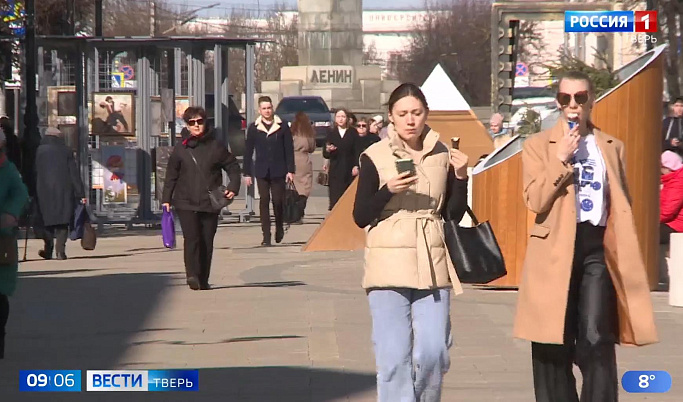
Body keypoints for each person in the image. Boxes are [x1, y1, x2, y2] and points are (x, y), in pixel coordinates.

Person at [514, 71, 658, 402]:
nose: (573, 105)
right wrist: (560, 159)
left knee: (597, 336)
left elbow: (623, 200)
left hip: (596, 248)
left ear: (591, 100)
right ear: (558, 103)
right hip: (554, 250)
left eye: (580, 97)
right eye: (565, 99)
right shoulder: (538, 146)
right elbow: (534, 200)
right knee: (553, 341)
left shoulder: (611, 146)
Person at [352, 83, 469, 401]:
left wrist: (461, 177)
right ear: (390, 116)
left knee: (434, 351)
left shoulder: (443, 153)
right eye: (402, 113)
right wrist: (388, 189)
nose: (410, 120)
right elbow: (361, 215)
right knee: (393, 360)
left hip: (432, 262)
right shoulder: (374, 156)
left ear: (426, 114)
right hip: (387, 263)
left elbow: (452, 214)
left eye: (416, 113)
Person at [162, 106, 241, 290]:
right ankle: (192, 275)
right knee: (192, 239)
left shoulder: (216, 146)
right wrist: (166, 199)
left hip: (209, 202)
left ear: (205, 123)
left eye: (199, 122)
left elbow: (233, 167)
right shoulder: (181, 149)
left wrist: (233, 187)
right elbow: (171, 175)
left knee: (206, 240)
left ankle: (203, 278)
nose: (196, 126)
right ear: (187, 126)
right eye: (192, 123)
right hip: (185, 202)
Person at [243, 96, 295, 246]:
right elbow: (248, 151)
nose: (267, 111)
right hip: (261, 171)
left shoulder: (282, 126)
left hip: (279, 170)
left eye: (269, 108)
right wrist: (247, 173)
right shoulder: (254, 128)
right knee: (264, 201)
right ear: (259, 110)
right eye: (264, 108)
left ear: (273, 109)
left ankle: (279, 227)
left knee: (278, 201)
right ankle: (266, 235)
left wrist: (290, 170)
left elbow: (289, 149)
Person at [35, 127, 86, 260]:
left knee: (47, 221)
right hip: (64, 190)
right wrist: (80, 193)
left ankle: (48, 250)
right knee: (63, 222)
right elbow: (73, 174)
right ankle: (60, 252)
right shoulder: (65, 151)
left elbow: (33, 172)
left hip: (43, 190)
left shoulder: (39, 151)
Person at [0, 129, 29, 359]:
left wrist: (10, 212)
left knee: (0, 295)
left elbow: (21, 193)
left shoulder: (7, 169)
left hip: (1, 241)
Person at [323, 108, 359, 210]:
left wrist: (356, 165)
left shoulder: (352, 132)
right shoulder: (331, 132)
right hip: (335, 168)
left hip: (349, 167)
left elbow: (357, 150)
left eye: (343, 117)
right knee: (335, 197)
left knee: (348, 197)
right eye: (338, 117)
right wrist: (329, 150)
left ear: (347, 118)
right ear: (335, 119)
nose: (341, 119)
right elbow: (325, 153)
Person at [291, 111, 316, 220]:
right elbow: (312, 148)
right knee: (305, 186)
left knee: (294, 187)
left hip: (293, 159)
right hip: (305, 160)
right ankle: (301, 209)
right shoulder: (309, 134)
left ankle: (294, 212)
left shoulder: (292, 132)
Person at [660, 150, 683, 245]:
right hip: (672, 222)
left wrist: (649, 219)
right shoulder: (674, 179)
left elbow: (667, 211)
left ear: (667, 168)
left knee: (644, 233)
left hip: (677, 225)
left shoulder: (678, 183)